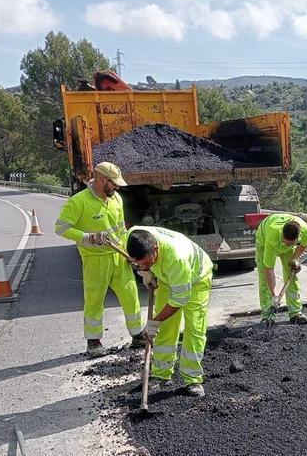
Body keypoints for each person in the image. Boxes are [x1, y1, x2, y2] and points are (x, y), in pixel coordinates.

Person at [54, 162, 144, 357]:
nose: (117, 187)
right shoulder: (79, 202)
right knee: (94, 300)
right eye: (114, 183)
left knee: (131, 295)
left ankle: (137, 335)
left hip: (118, 256)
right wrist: (88, 237)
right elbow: (61, 228)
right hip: (95, 260)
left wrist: (129, 251)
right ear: (102, 180)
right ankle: (94, 342)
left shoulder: (116, 199)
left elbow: (121, 229)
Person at [127, 226, 213, 397]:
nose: (142, 265)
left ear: (156, 249)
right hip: (167, 278)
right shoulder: (134, 235)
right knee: (165, 327)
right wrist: (146, 271)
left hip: (197, 278)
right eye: (139, 263)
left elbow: (179, 299)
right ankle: (161, 374)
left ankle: (193, 378)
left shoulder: (177, 258)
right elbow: (138, 259)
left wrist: (154, 321)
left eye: (146, 262)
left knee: (194, 328)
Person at [255, 213, 307, 328]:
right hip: (264, 240)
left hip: (288, 245)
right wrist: (274, 295)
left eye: (290, 243)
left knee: (292, 276)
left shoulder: (306, 232)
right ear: (282, 235)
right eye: (286, 242)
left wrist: (294, 259)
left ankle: (295, 313)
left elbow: (303, 245)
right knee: (264, 278)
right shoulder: (273, 236)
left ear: (297, 238)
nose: (287, 244)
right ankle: (267, 315)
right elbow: (269, 268)